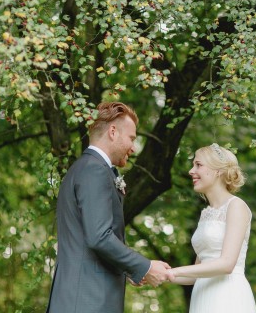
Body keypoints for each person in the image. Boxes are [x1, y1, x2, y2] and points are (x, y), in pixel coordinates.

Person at [46, 102, 172, 313]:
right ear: (113, 132)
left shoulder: (86, 168)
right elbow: (99, 237)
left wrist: (129, 269)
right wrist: (144, 267)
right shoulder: (94, 170)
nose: (133, 147)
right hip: (87, 301)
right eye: (131, 138)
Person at [167, 143, 256, 312]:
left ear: (218, 171)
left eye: (198, 165)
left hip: (227, 294)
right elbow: (195, 274)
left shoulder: (236, 206)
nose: (191, 171)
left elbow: (226, 264)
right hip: (202, 295)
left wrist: (175, 271)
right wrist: (160, 274)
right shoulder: (206, 214)